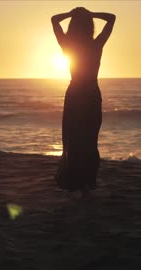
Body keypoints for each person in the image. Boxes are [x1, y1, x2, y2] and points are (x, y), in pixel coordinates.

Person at [52, 7, 115, 197]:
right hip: (90, 93)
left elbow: (54, 19)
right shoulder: (96, 44)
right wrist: (92, 14)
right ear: (89, 27)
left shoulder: (67, 45)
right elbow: (111, 18)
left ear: (72, 26)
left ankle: (75, 181)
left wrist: (72, 14)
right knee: (89, 138)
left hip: (75, 92)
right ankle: (87, 182)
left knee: (73, 138)